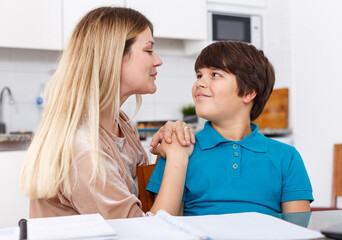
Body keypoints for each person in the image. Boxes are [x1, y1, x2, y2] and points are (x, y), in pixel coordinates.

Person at [19, 7, 194, 219]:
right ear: (114, 56)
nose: (158, 60)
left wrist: (171, 142)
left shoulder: (121, 124)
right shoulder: (83, 147)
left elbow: (147, 202)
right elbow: (145, 233)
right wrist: (177, 157)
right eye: (148, 51)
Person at [147, 41, 314, 216]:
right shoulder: (180, 150)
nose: (200, 83)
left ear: (249, 92)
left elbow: (297, 230)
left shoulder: (286, 157)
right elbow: (166, 227)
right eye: (199, 75)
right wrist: (177, 156)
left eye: (215, 74)